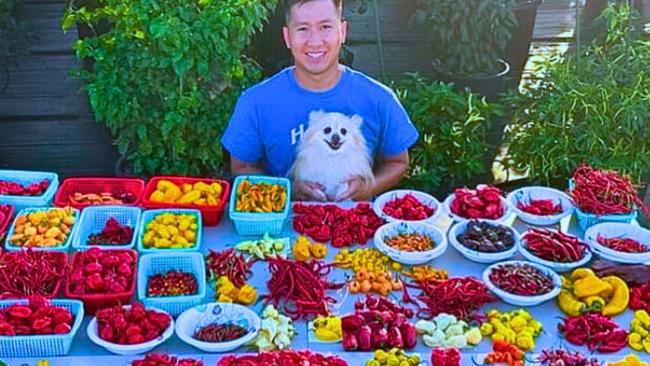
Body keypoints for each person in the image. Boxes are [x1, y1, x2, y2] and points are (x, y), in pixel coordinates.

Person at [221, 0, 419, 201]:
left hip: (356, 224)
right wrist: (286, 191)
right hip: (279, 226)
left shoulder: (379, 98)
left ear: (342, 31)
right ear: (287, 37)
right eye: (303, 29)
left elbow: (397, 162)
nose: (315, 41)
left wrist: (368, 187)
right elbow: (242, 167)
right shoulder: (255, 102)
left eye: (325, 27)